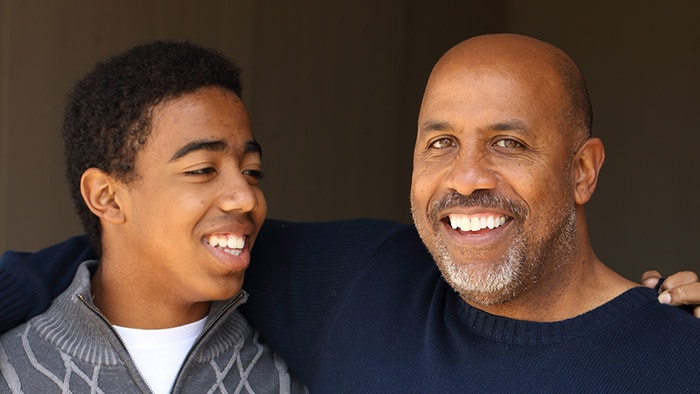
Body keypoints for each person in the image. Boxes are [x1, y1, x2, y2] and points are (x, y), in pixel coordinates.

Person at [1, 34, 699, 391]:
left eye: (508, 144)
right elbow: (145, 252)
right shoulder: (360, 283)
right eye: (440, 143)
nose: (467, 178)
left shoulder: (678, 357)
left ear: (582, 170)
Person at [0, 41, 305, 393]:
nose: (246, 197)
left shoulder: (292, 374)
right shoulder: (13, 374)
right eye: (204, 169)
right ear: (108, 198)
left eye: (252, 171)